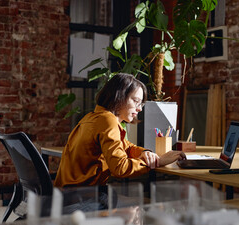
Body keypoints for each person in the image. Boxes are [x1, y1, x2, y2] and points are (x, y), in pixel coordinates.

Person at [54, 73, 186, 188]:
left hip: (66, 195)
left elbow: (126, 146)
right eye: (136, 101)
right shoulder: (107, 121)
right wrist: (158, 162)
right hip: (82, 198)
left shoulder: (93, 117)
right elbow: (120, 168)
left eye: (141, 104)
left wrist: (145, 153)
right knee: (143, 209)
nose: (139, 108)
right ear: (119, 97)